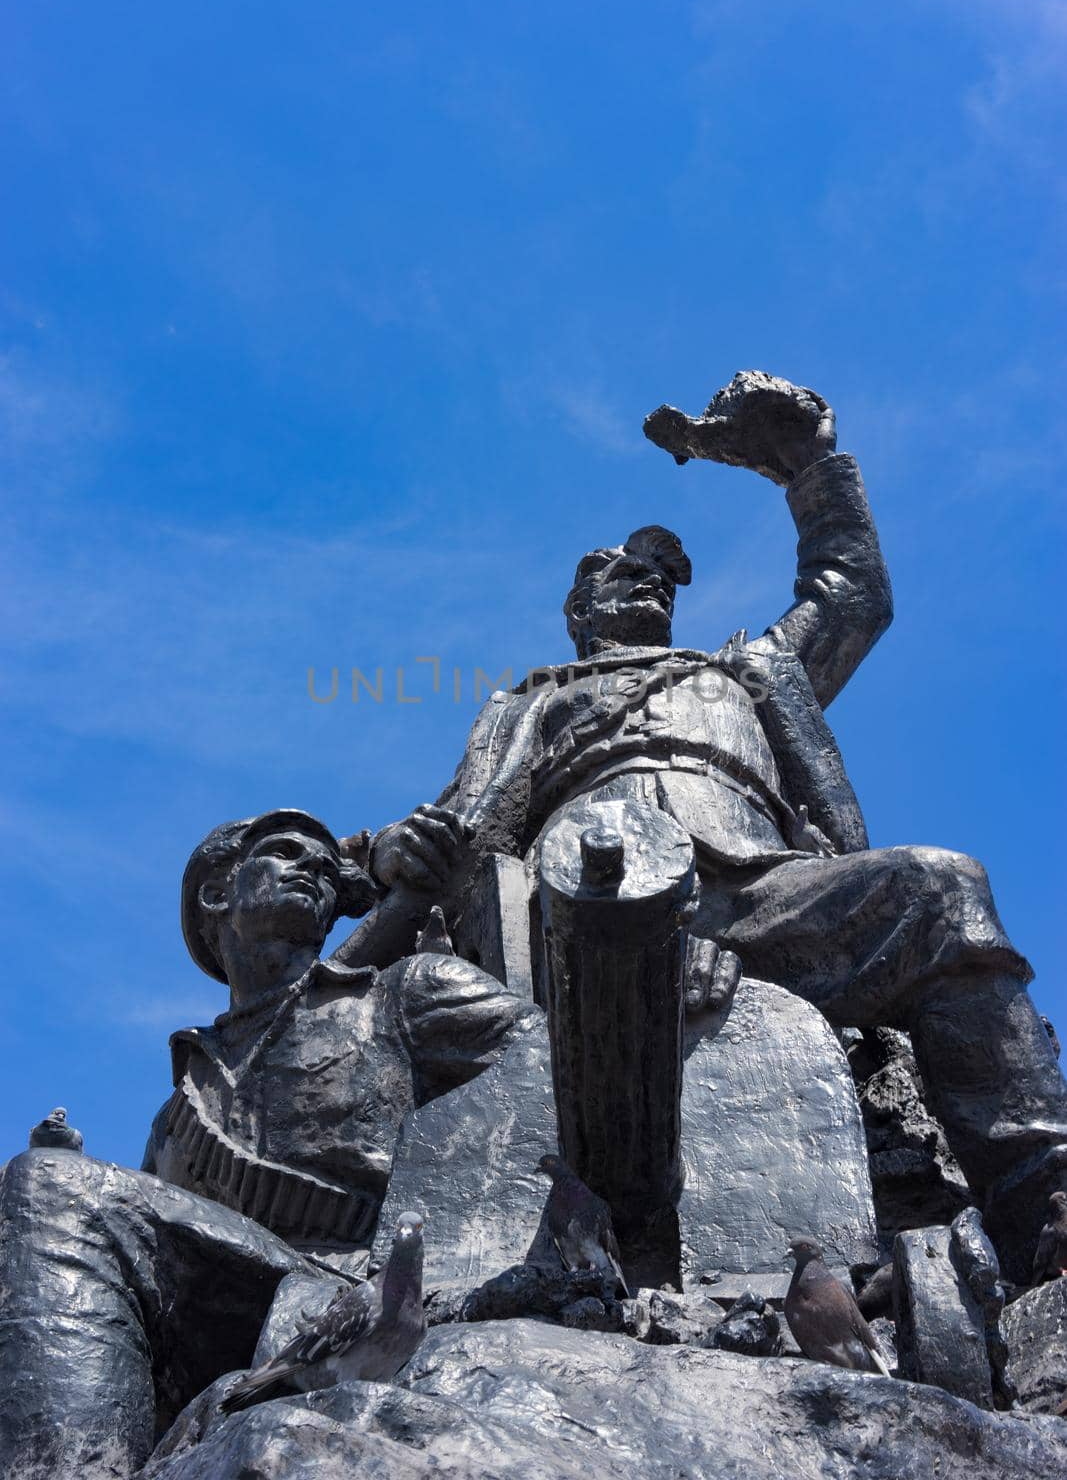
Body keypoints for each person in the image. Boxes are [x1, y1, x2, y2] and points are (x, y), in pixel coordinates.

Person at [369, 374, 1067, 1279]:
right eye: (628, 573)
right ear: (579, 612)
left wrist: (807, 469)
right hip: (587, 908)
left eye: (664, 576)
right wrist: (389, 850)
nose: (652, 584)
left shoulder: (751, 671)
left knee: (937, 886)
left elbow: (852, 594)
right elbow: (460, 821)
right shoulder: (531, 705)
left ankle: (1041, 1199)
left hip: (758, 889)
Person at [0, 809, 534, 1479]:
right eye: (285, 852)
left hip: (358, 1287)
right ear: (217, 895)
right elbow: (141, 1265)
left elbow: (555, 1072)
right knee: (47, 1188)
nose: (311, 866)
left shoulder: (408, 992)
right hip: (230, 1326)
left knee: (50, 1187)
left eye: (322, 864)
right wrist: (64, 1182)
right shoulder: (177, 1117)